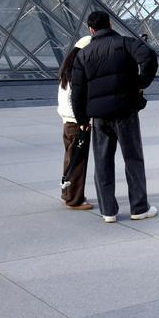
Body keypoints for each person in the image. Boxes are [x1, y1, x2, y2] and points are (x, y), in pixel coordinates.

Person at [71, 11, 159, 223]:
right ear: (110, 24)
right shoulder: (125, 43)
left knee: (102, 163)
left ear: (91, 30)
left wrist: (82, 121)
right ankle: (139, 207)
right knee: (133, 160)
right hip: (125, 110)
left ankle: (108, 211)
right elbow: (149, 57)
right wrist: (140, 83)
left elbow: (78, 92)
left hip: (99, 116)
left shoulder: (84, 54)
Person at [58, 36, 94, 210]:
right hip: (77, 123)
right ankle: (75, 200)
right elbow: (77, 100)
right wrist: (83, 121)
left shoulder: (67, 69)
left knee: (70, 160)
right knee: (78, 162)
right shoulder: (78, 72)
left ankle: (67, 193)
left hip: (67, 122)